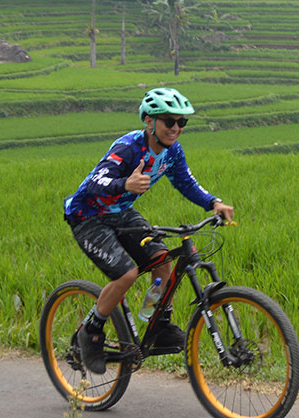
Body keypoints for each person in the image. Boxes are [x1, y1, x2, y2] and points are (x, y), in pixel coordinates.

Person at [62, 87, 235, 374]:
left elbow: (186, 183)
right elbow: (95, 182)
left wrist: (213, 203)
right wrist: (125, 185)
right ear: (149, 121)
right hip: (88, 216)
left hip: (122, 214)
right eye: (169, 121)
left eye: (182, 123)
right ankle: (90, 332)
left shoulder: (172, 152)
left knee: (163, 263)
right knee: (126, 273)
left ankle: (155, 322)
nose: (176, 128)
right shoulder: (128, 148)